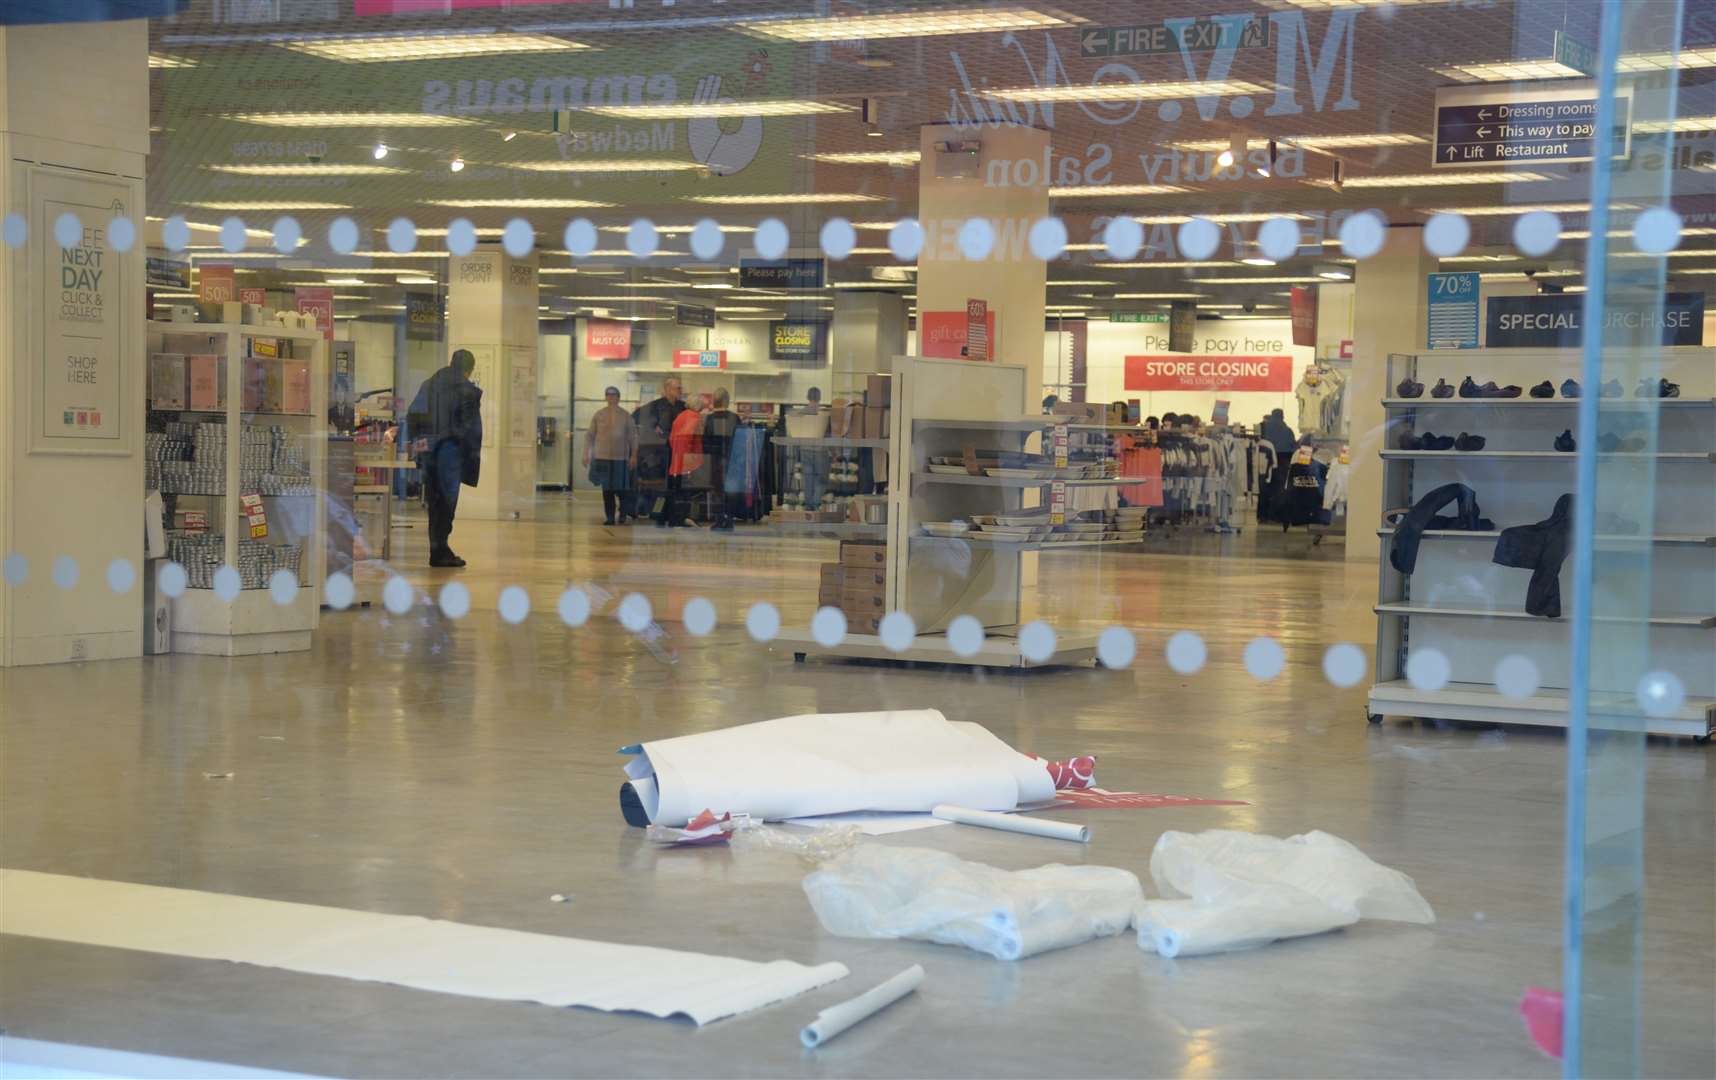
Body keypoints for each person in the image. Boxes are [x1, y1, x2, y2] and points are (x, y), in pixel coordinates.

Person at [406, 349, 483, 568]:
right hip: (450, 453)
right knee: (447, 503)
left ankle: (438, 548)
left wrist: (418, 444)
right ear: (469, 369)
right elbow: (468, 428)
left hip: (428, 450)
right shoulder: (467, 391)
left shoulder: (428, 384)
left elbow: (412, 415)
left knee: (434, 501)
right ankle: (440, 549)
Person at [632, 376, 685, 524]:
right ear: (667, 389)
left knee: (675, 485)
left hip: (677, 453)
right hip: (660, 454)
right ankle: (658, 513)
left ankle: (674, 514)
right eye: (677, 388)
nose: (680, 390)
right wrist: (653, 427)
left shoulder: (683, 407)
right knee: (660, 486)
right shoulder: (655, 406)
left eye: (680, 388)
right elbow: (636, 417)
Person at [584, 386, 637, 526]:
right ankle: (610, 517)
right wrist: (586, 454)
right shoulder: (599, 415)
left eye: (614, 395)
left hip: (621, 458)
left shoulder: (626, 416)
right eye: (608, 395)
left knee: (621, 489)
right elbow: (590, 436)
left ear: (618, 398)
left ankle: (623, 513)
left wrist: (634, 456)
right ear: (605, 397)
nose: (611, 397)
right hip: (602, 458)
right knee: (607, 490)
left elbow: (633, 437)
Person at [663, 393, 708, 527]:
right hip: (691, 462)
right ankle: (686, 517)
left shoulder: (679, 417)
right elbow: (691, 438)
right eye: (702, 406)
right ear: (698, 406)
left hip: (677, 460)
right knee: (691, 492)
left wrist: (679, 452)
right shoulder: (696, 418)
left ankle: (676, 518)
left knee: (677, 492)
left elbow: (671, 439)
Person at [701, 388, 742, 530]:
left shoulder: (710, 419)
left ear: (714, 400)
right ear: (727, 400)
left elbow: (705, 441)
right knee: (731, 491)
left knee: (717, 490)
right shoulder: (734, 418)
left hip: (715, 461)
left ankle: (719, 519)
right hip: (732, 460)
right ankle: (729, 519)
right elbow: (740, 440)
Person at [797, 387, 828, 510]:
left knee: (808, 478)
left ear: (807, 397)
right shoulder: (822, 413)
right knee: (820, 479)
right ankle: (816, 503)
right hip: (820, 450)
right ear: (819, 397)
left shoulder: (801, 413)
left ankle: (809, 505)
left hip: (805, 449)